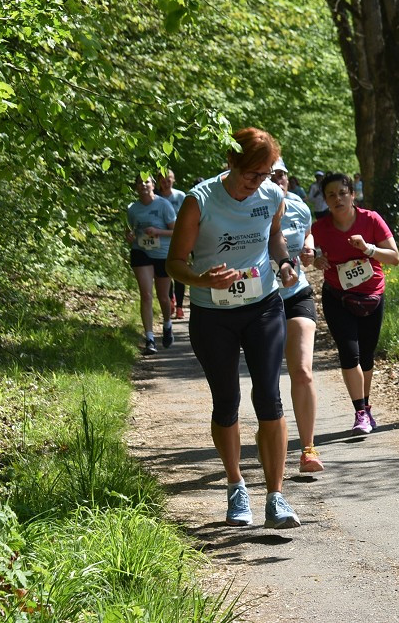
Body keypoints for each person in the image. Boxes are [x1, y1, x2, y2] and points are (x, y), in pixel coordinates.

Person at [166, 127, 302, 529]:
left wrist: (284, 263)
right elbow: (175, 262)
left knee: (269, 397)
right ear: (231, 162)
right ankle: (235, 485)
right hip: (213, 314)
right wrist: (202, 280)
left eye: (263, 175)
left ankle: (276, 496)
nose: (255, 183)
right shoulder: (200, 200)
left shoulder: (272, 196)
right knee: (226, 401)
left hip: (263, 306)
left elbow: (274, 238)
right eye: (249, 174)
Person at [312, 173, 399, 436]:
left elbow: (394, 257)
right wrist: (316, 259)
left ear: (352, 194)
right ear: (325, 200)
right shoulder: (320, 228)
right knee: (349, 353)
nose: (337, 198)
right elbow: (310, 253)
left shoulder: (370, 219)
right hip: (338, 297)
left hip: (372, 296)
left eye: (342, 192)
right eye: (331, 195)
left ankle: (366, 405)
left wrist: (368, 249)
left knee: (366, 355)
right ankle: (360, 412)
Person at [272, 158, 323, 473]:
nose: (278, 181)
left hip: (297, 294)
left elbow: (308, 236)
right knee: (267, 380)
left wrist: (308, 248)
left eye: (282, 176)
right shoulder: (247, 210)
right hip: (259, 301)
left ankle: (308, 449)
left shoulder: (299, 207)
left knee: (302, 371)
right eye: (271, 176)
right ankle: (273, 443)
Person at [126, 175, 177, 355]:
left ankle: (167, 324)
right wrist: (130, 237)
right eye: (139, 183)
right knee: (146, 295)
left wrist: (157, 232)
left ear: (153, 185)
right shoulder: (132, 208)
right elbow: (130, 231)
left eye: (147, 182)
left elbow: (176, 230)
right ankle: (149, 338)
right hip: (141, 252)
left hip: (163, 254)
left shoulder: (164, 205)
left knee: (163, 297)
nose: (143, 185)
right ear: (136, 187)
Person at [157, 169, 188, 319]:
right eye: (162, 179)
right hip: (161, 243)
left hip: (180, 239)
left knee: (179, 273)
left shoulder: (180, 196)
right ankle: (170, 301)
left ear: (173, 179)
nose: (166, 181)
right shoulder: (155, 198)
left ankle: (180, 306)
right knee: (166, 272)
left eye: (168, 178)